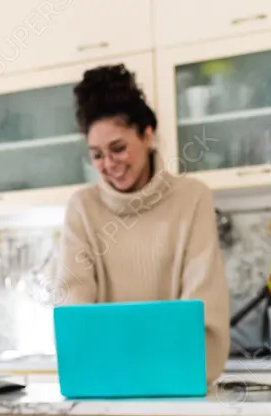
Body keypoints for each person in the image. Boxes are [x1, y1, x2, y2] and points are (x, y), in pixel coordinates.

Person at [52, 64, 230, 382]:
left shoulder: (192, 199)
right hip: (102, 388)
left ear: (148, 135)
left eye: (118, 148)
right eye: (96, 155)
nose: (108, 164)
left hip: (180, 384)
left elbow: (204, 308)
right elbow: (72, 313)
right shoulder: (83, 208)